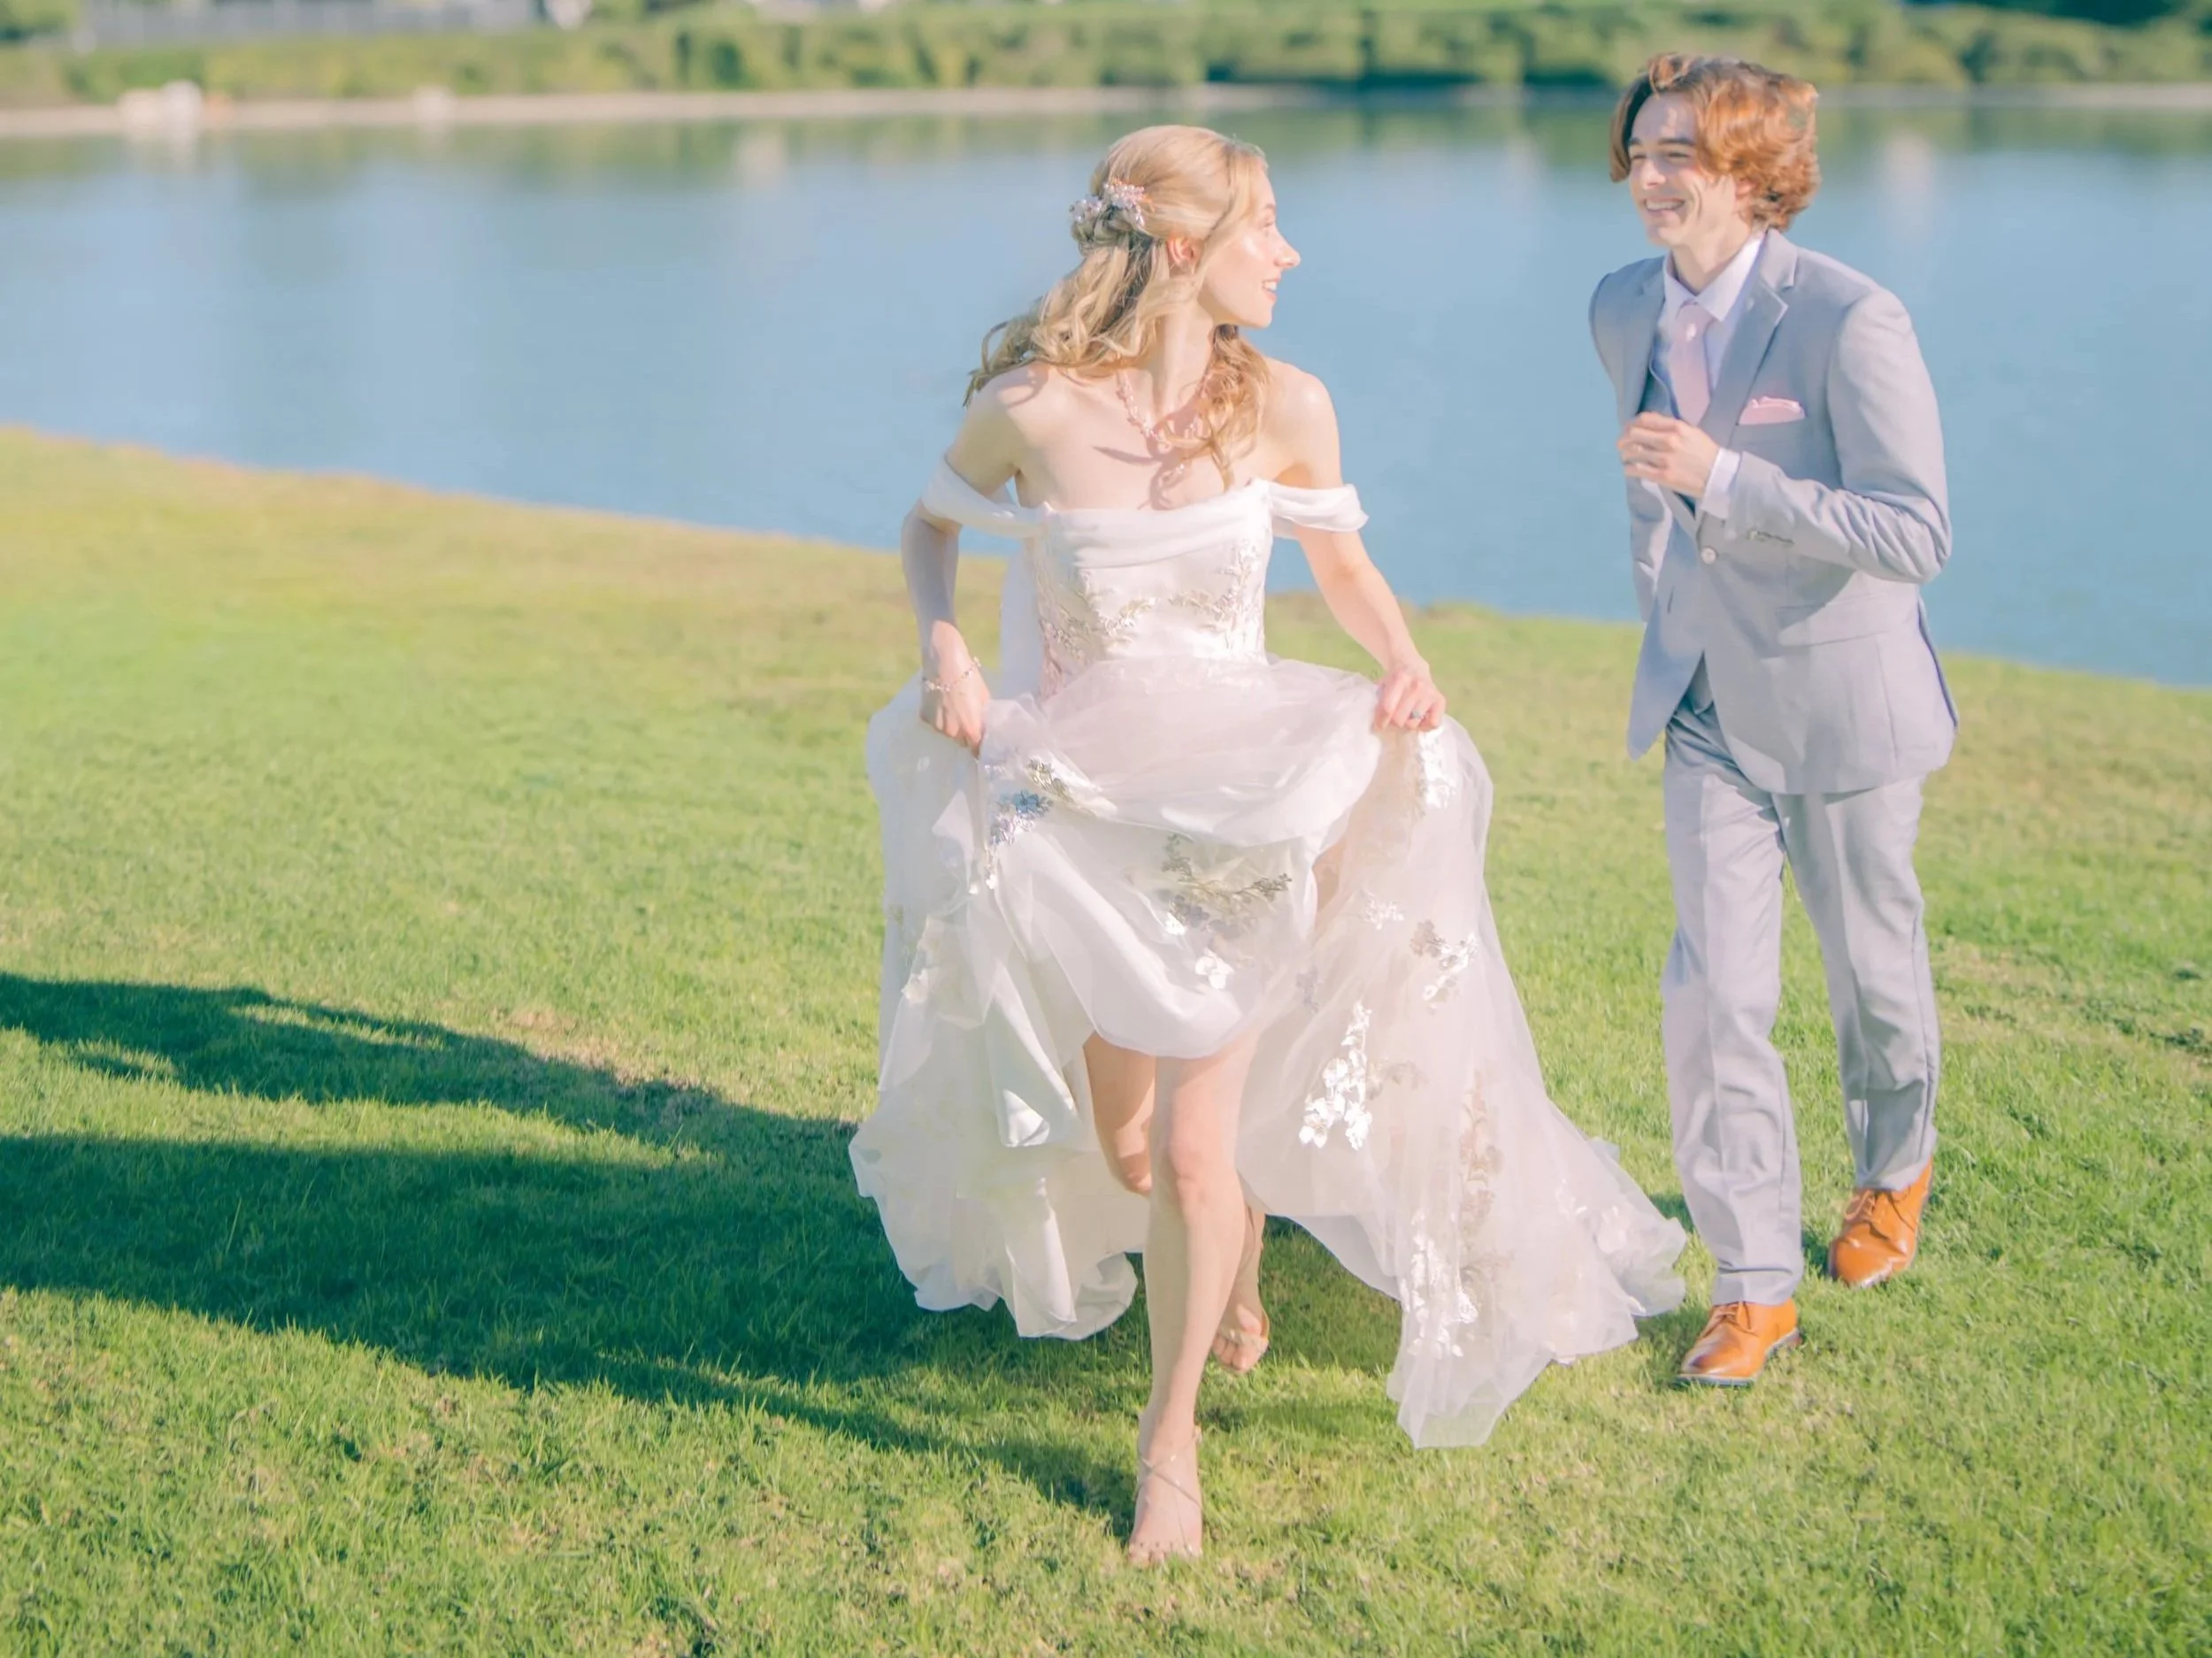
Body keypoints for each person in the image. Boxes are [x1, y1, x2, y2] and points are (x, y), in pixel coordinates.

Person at [856, 125, 1684, 1564]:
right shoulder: (1035, 410)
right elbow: (928, 531)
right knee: (1130, 1141)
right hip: (1089, 808)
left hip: (1249, 804)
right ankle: (1225, 1260)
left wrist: (1409, 665)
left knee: (1188, 1149)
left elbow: (1344, 565)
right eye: (1267, 225)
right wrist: (945, 647)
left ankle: (1166, 1444)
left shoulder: (1289, 403)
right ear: (1181, 248)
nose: (1289, 251)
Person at [1588, 57, 1955, 1386]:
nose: (1653, 175)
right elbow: (1648, 496)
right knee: (1716, 993)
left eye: (1681, 152)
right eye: (1641, 152)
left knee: (1874, 979)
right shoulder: (1618, 305)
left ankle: (1894, 1169)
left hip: (1845, 702)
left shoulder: (1852, 317)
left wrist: (1730, 478)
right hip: (1703, 706)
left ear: (1753, 174)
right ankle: (1754, 1285)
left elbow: (1917, 531)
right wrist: (1669, 602)